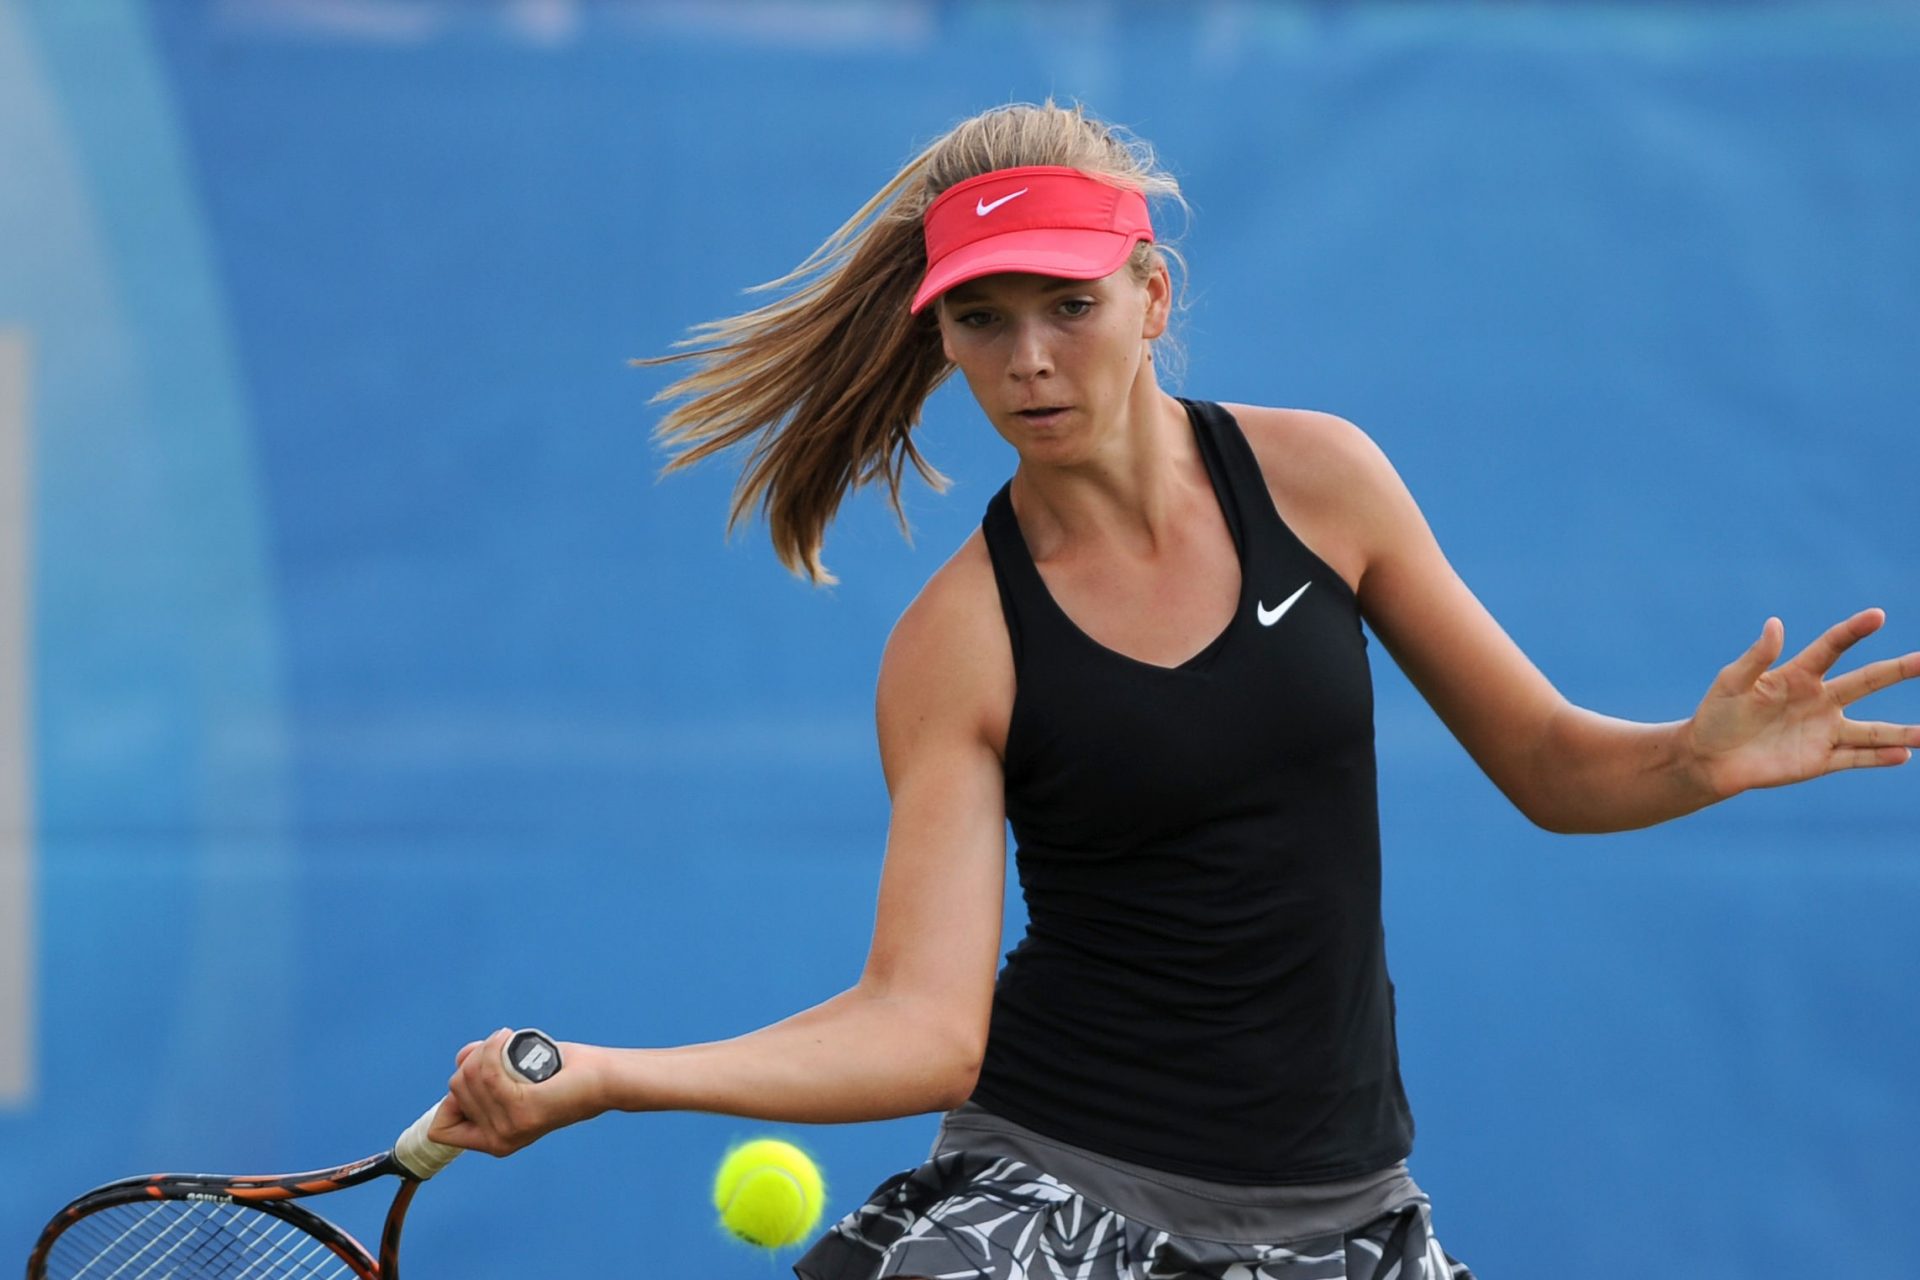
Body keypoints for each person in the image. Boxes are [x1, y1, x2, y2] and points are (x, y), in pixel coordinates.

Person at [426, 102, 1919, 1280]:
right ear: (938, 337)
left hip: (1350, 1214)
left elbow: (1544, 762)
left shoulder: (1323, 483)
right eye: (982, 319)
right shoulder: (959, 643)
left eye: (1066, 305)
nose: (1028, 360)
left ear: (1151, 292)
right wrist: (619, 1075)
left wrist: (1692, 759)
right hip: (1055, 1194)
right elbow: (922, 1024)